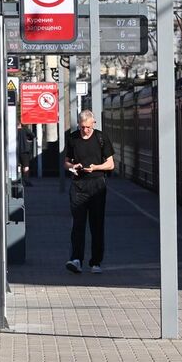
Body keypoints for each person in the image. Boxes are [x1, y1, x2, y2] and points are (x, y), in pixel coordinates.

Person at [64, 109, 116, 274]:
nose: (85, 130)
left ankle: (96, 262)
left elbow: (111, 164)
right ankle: (76, 259)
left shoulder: (101, 138)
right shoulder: (73, 138)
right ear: (78, 124)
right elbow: (66, 162)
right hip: (78, 186)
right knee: (78, 225)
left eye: (88, 127)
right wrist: (73, 166)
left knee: (96, 225)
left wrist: (95, 168)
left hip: (97, 186)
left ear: (93, 124)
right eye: (82, 127)